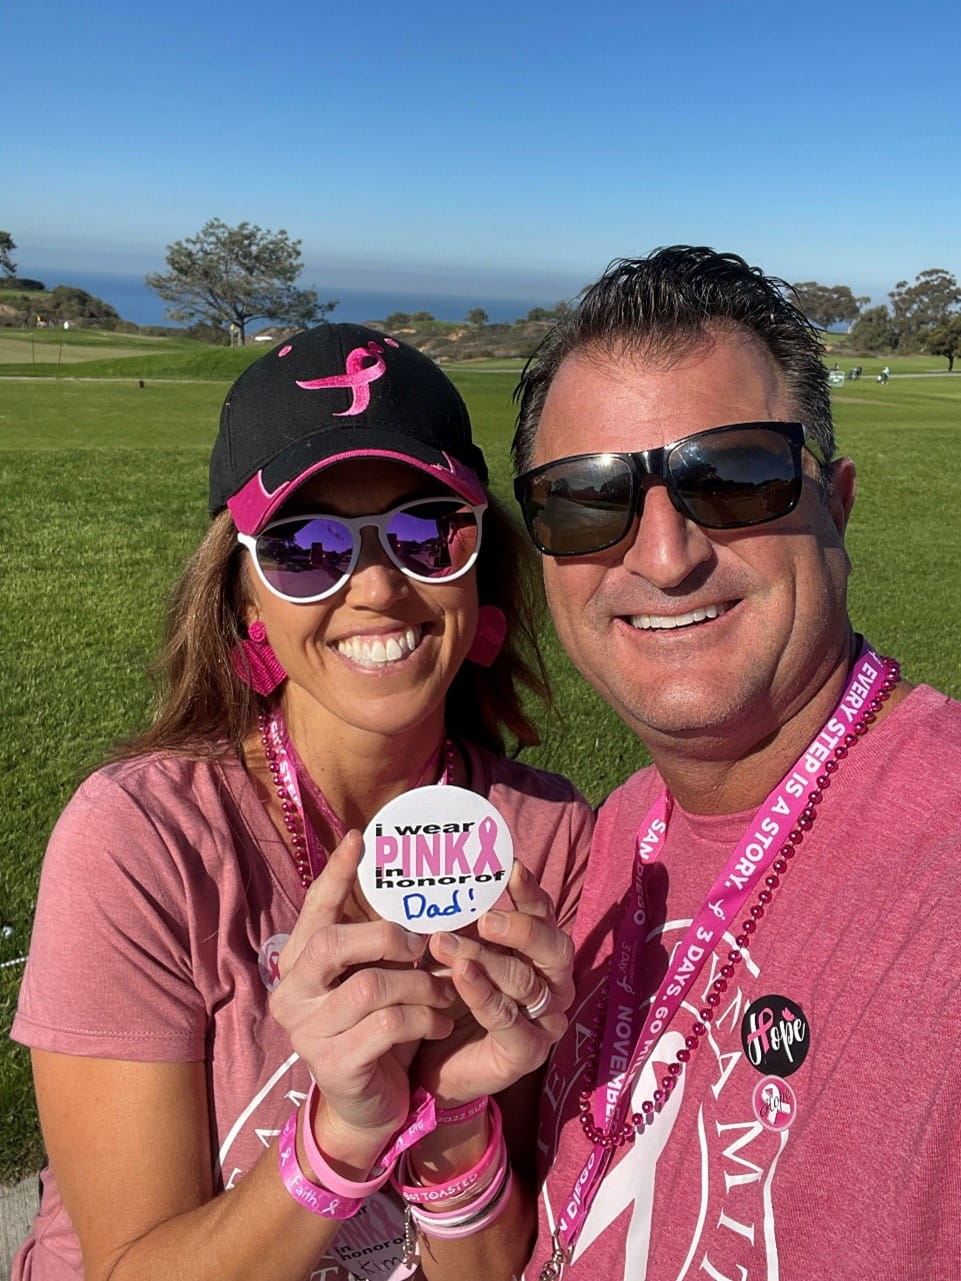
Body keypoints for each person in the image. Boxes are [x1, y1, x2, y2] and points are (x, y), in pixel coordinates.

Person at [12, 323, 594, 1281]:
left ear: (478, 563)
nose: (376, 586)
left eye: (424, 532)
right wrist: (340, 1136)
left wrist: (449, 1117)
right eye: (306, 546)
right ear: (244, 598)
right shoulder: (142, 840)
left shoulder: (547, 841)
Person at [510, 247, 961, 1280]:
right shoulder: (618, 836)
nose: (663, 556)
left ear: (834, 503)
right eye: (585, 501)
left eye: (735, 477)